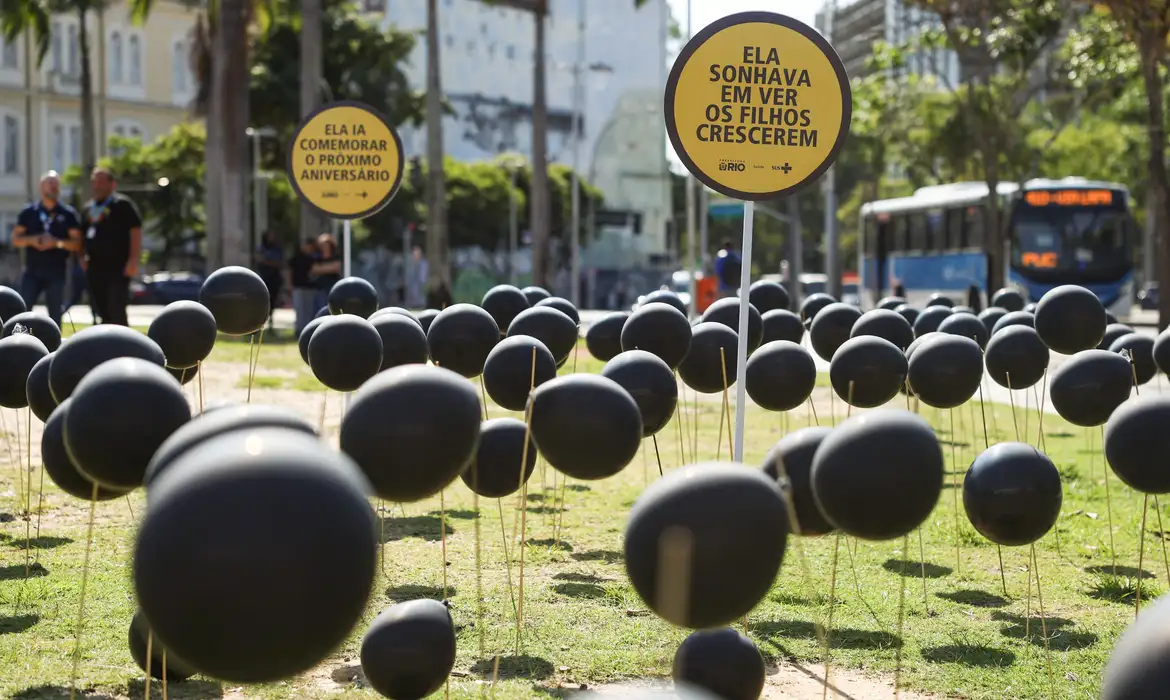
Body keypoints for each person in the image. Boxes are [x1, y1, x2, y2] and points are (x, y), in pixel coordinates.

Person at [11, 171, 83, 328]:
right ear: (41, 186)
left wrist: (56, 243)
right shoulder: (29, 212)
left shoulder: (67, 214)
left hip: (56, 271)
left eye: (56, 183)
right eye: (49, 183)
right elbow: (16, 239)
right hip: (32, 270)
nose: (53, 187)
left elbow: (77, 243)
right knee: (23, 309)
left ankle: (55, 347)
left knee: (55, 313)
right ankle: (18, 343)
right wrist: (33, 240)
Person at [81, 167, 142, 326]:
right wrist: (81, 258)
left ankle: (124, 345)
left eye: (101, 181)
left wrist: (134, 259)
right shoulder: (88, 208)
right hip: (94, 267)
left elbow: (135, 230)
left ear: (111, 184)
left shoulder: (122, 204)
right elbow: (80, 236)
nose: (97, 185)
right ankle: (106, 345)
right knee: (101, 309)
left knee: (116, 308)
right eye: (95, 181)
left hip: (118, 267)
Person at [289, 237, 318, 334]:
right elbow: (290, 272)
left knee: (308, 311)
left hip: (310, 287)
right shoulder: (297, 257)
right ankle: (299, 330)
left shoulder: (313, 258)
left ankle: (307, 330)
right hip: (298, 287)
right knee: (299, 310)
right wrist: (290, 285)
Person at [255, 230, 285, 323]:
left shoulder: (277, 249)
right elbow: (259, 260)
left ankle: (270, 321)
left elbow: (280, 262)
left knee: (273, 300)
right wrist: (270, 262)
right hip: (263, 278)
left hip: (274, 279)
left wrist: (267, 262)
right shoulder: (260, 248)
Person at [310, 233, 342, 312]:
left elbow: (336, 268)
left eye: (325, 244)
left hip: (332, 287)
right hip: (320, 288)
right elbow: (314, 270)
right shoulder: (317, 257)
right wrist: (328, 268)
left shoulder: (335, 256)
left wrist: (321, 268)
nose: (323, 247)